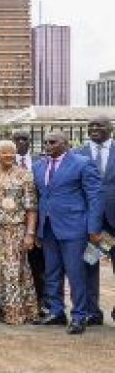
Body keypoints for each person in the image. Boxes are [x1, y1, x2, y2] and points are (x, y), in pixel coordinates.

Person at [32, 131, 103, 335]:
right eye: (45, 142)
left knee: (77, 273)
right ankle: (56, 312)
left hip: (75, 228)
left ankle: (80, 315)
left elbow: (95, 197)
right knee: (52, 273)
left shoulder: (82, 163)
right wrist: (37, 229)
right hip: (47, 228)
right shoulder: (38, 166)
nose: (47, 145)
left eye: (52, 142)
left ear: (66, 144)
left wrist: (94, 229)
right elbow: (39, 197)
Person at [0, 140, 38, 324]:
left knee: (15, 268)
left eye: (11, 153)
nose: (8, 156)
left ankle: (15, 312)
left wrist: (30, 233)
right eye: (4, 153)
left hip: (17, 228)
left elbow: (31, 207)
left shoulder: (25, 175)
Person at [75, 116, 113, 325]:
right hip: (92, 225)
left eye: (99, 125)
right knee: (90, 264)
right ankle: (92, 311)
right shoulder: (77, 154)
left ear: (111, 128)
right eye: (91, 126)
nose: (94, 129)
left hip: (113, 224)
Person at [13, 129, 45, 311]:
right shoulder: (1, 162)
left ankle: (40, 301)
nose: (21, 142)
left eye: (24, 139)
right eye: (17, 139)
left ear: (30, 142)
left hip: (37, 221)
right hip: (10, 222)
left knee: (37, 264)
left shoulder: (41, 162)